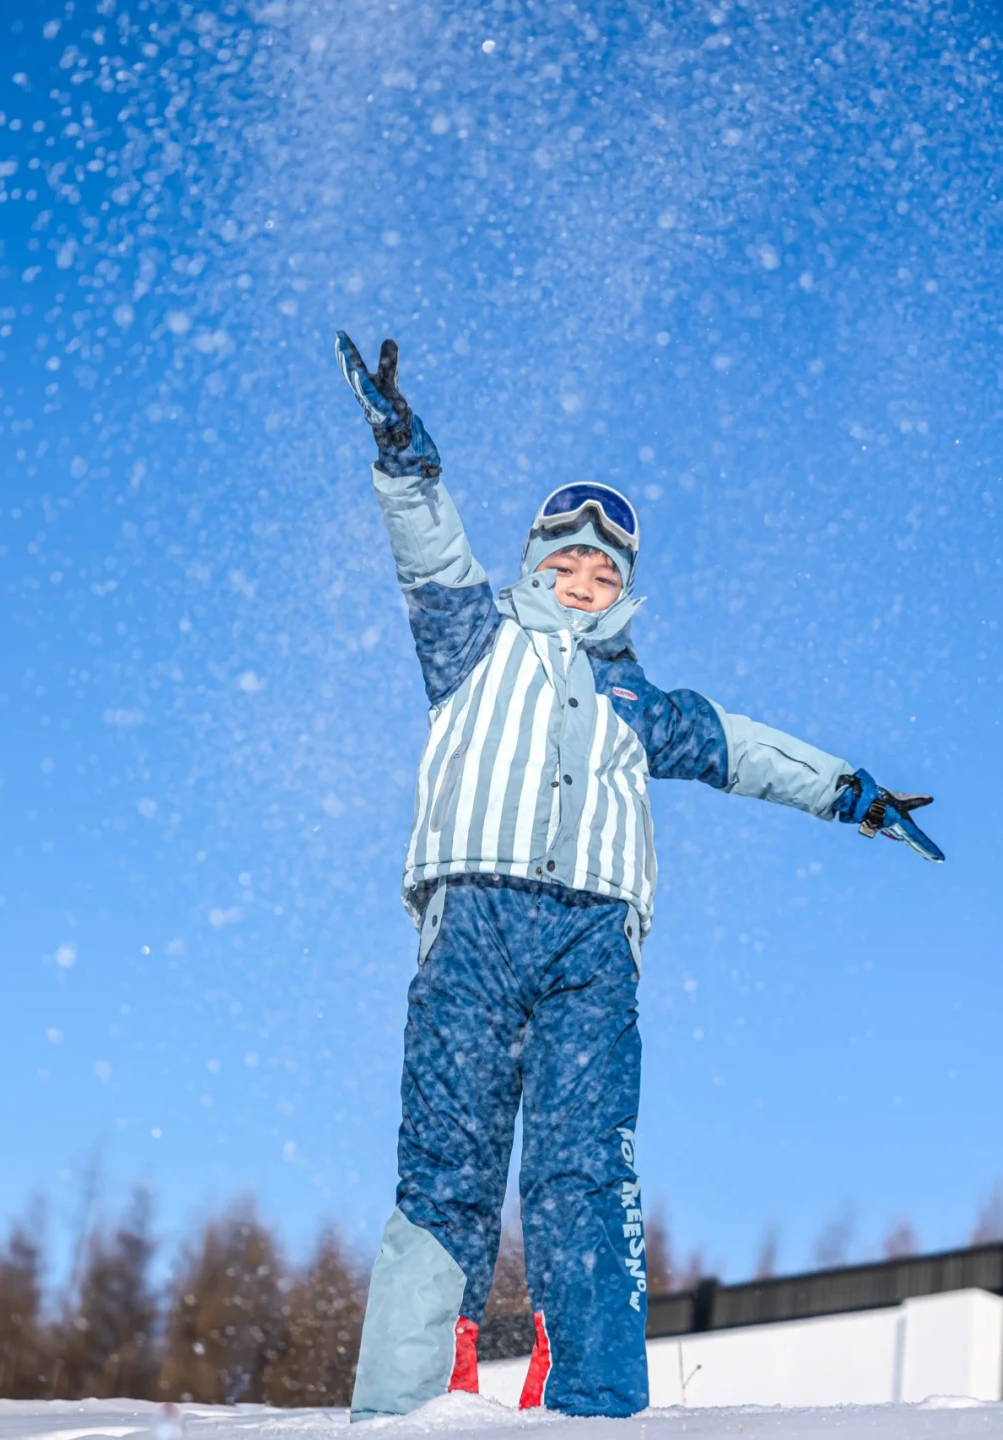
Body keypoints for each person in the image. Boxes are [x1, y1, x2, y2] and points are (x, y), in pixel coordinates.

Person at [333, 331, 943, 1421]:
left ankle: (595, 1399)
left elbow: (748, 749)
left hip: (593, 951)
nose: (582, 579)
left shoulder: (640, 702)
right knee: (446, 1173)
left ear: (624, 590)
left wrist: (851, 790)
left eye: (603, 569)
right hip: (471, 922)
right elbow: (426, 550)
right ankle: (413, 1400)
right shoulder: (470, 637)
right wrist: (406, 458)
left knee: (582, 1174)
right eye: (563, 562)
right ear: (531, 565)